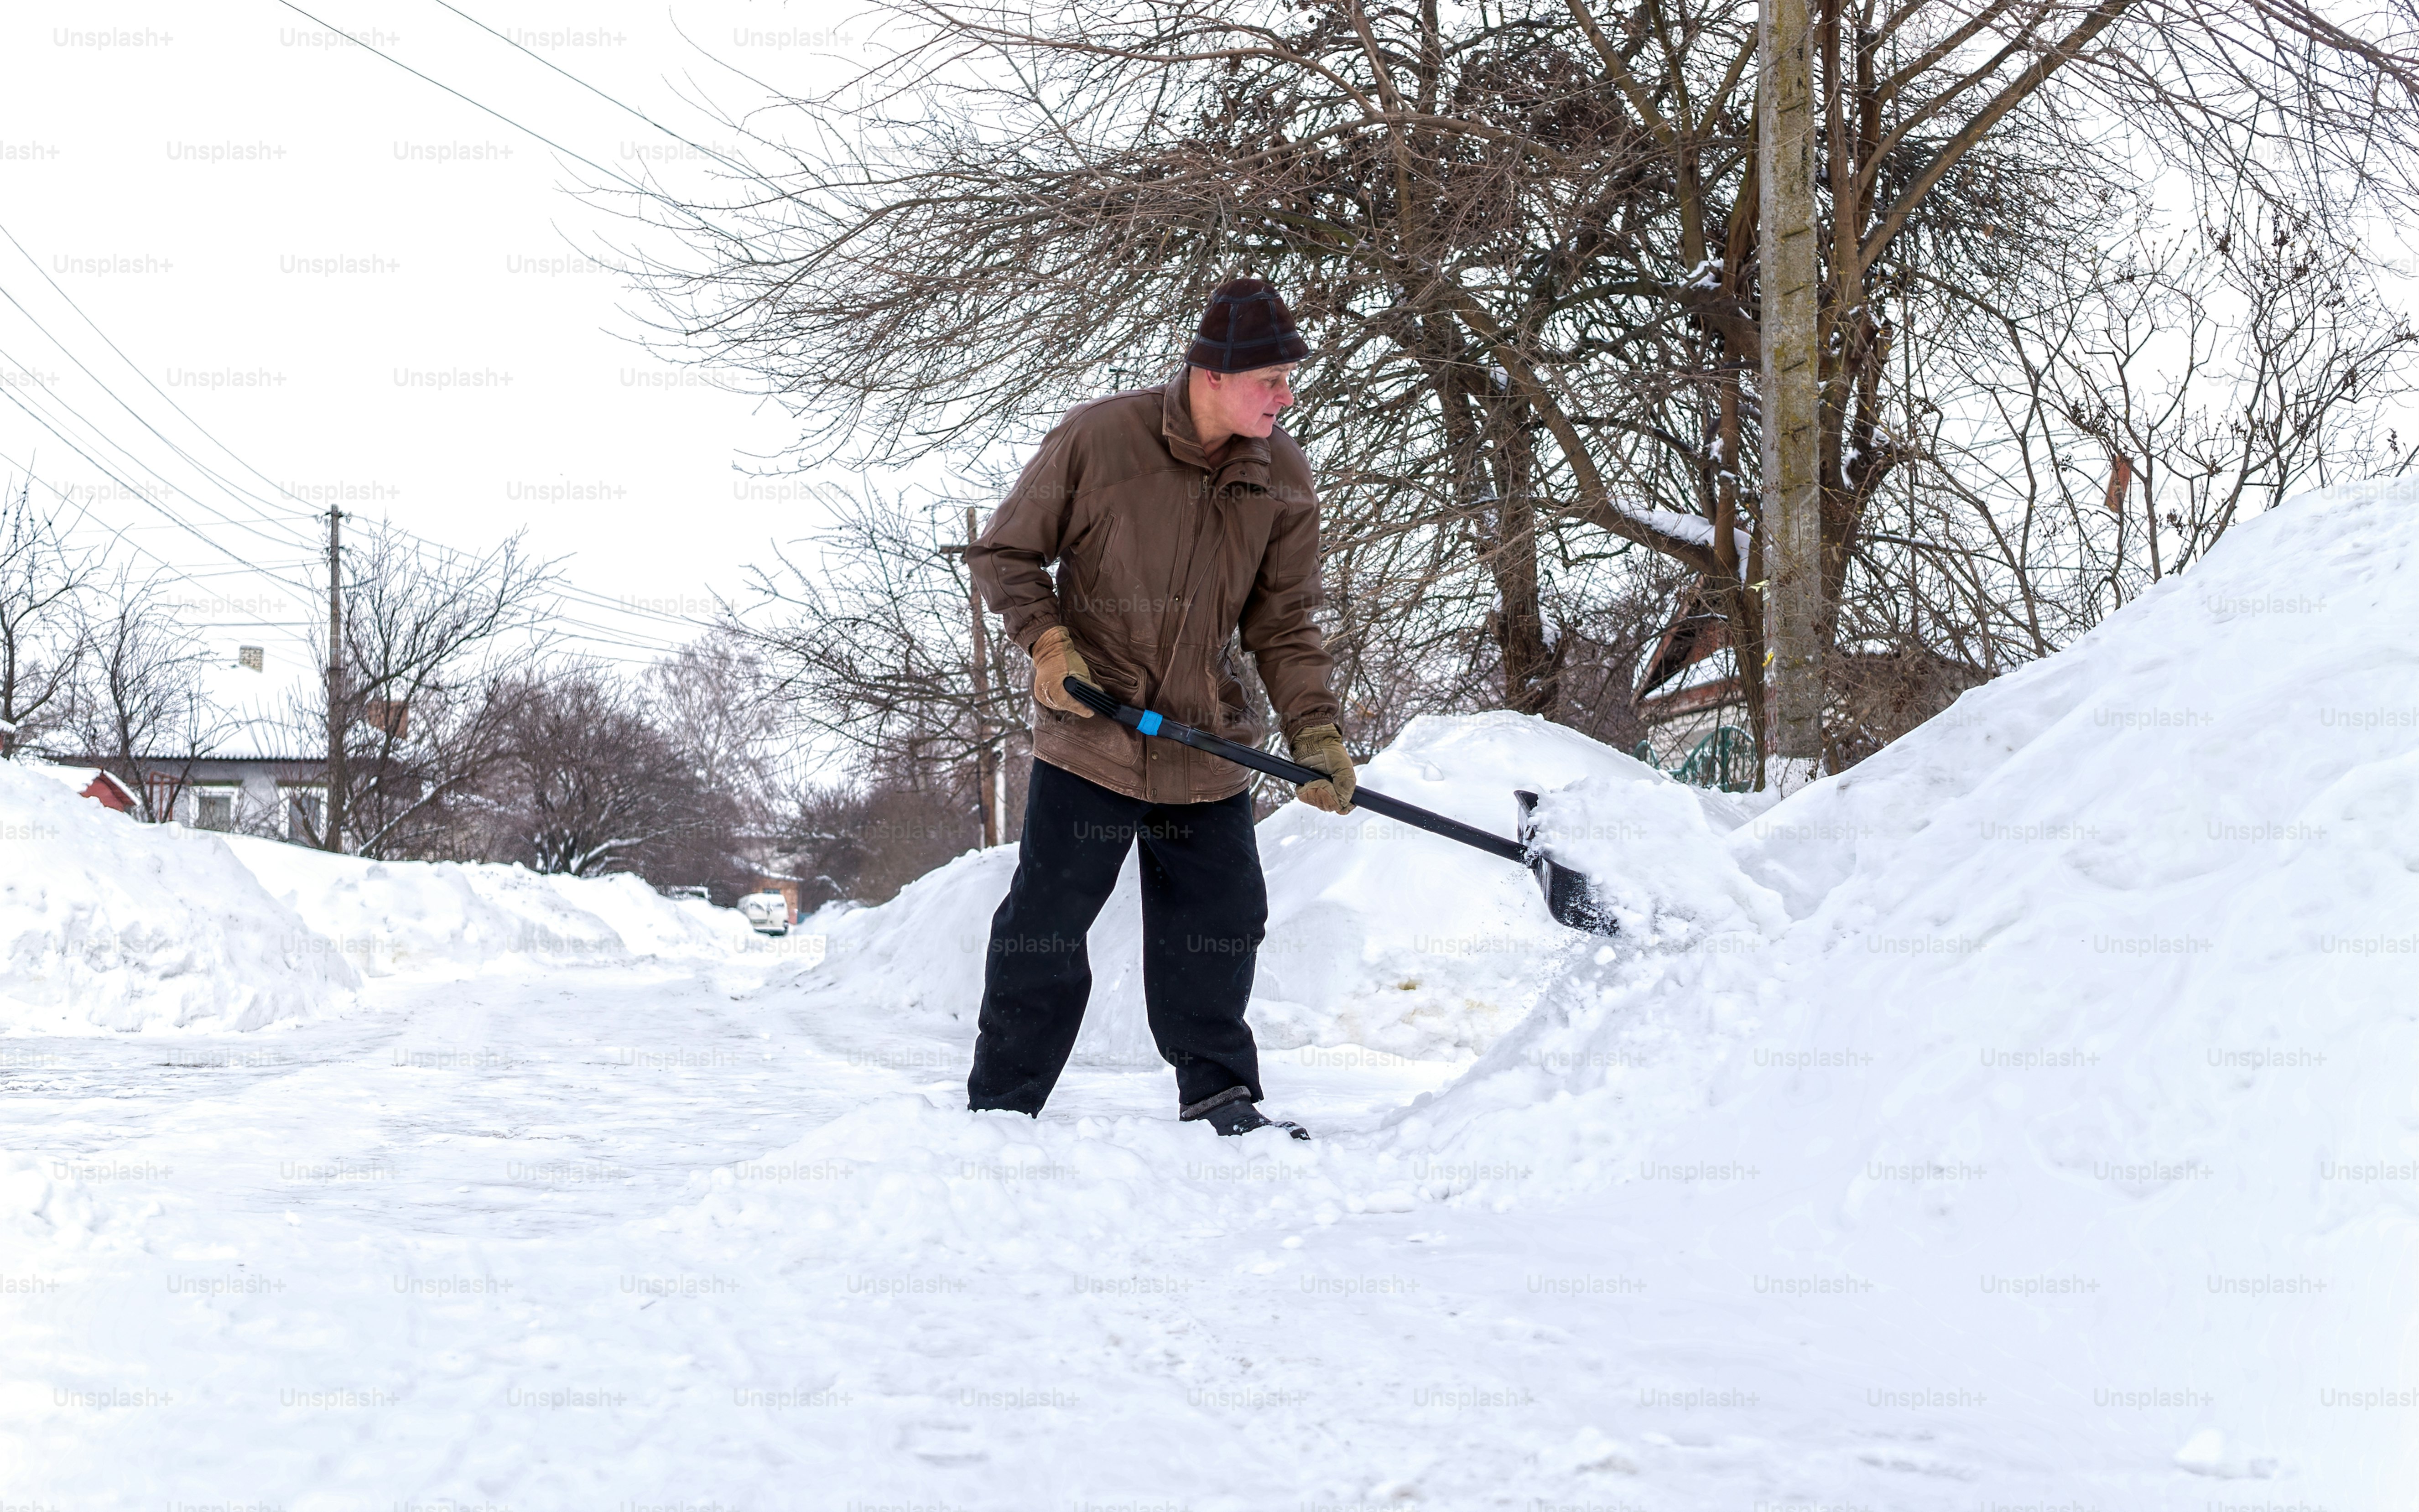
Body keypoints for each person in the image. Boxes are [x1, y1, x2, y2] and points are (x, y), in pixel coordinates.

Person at [965, 278, 1356, 1138]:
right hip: (1092, 733)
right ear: (1211, 374)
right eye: (1272, 380)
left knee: (1221, 925)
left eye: (1290, 380)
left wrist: (1315, 730)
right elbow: (1004, 553)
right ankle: (1000, 1108)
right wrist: (1049, 645)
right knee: (1047, 924)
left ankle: (1220, 1098)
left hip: (1202, 741)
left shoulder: (1281, 475)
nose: (1287, 397)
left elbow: (1283, 623)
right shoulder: (1100, 440)